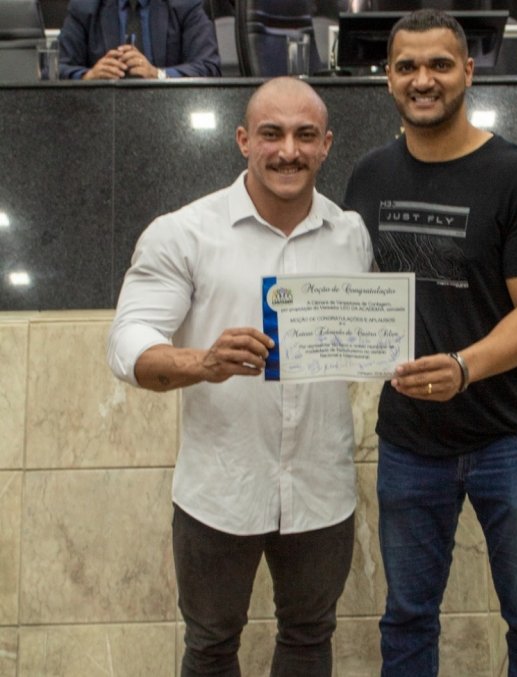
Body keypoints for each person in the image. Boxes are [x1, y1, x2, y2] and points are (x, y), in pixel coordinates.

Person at [107, 77, 372, 676]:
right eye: (272, 134)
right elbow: (127, 343)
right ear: (242, 140)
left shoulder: (351, 237)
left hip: (320, 488)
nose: (288, 151)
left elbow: (401, 323)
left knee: (310, 637)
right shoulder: (184, 232)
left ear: (327, 144)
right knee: (210, 645)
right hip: (219, 491)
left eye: (306, 136)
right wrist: (203, 362)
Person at [343, 9, 517, 677]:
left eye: (440, 64)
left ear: (469, 71)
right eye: (407, 66)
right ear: (387, 78)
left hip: (513, 436)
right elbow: (356, 292)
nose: (423, 79)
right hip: (411, 440)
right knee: (407, 615)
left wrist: (467, 365)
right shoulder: (367, 177)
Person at [58, 0, 221, 80]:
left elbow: (209, 67)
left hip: (170, 112)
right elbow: (53, 69)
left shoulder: (184, 4)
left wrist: (159, 75)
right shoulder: (85, 6)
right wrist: (88, 76)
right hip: (101, 116)